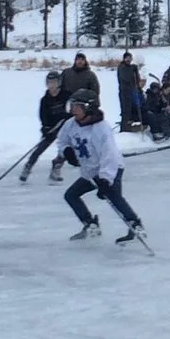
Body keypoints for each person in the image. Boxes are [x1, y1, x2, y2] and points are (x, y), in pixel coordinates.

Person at [55, 93, 145, 243]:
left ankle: (136, 225)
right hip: (90, 172)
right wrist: (66, 151)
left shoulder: (101, 128)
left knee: (113, 197)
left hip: (111, 169)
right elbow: (62, 141)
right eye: (72, 106)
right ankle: (90, 224)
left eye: (77, 107)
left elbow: (110, 156)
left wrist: (105, 179)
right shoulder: (70, 124)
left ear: (88, 108)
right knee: (71, 195)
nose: (73, 110)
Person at [34, 71, 74, 183]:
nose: (52, 85)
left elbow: (71, 109)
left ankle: (56, 167)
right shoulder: (45, 99)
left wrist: (68, 118)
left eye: (54, 82)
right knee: (41, 147)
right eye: (50, 82)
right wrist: (45, 128)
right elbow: (43, 115)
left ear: (59, 83)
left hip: (65, 126)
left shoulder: (67, 95)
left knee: (65, 148)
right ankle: (28, 166)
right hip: (51, 127)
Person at [117, 50, 147, 130]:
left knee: (132, 108)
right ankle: (124, 127)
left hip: (132, 91)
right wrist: (132, 69)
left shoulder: (131, 68)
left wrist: (135, 71)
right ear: (124, 59)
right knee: (125, 110)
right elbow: (126, 77)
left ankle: (130, 124)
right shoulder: (122, 67)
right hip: (124, 92)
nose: (129, 60)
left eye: (130, 58)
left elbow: (136, 79)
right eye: (127, 58)